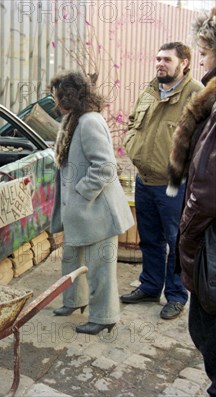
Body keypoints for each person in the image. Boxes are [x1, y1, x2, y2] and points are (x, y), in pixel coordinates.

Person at [120, 42, 203, 320]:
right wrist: (132, 144)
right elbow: (133, 122)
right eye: (157, 59)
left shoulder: (197, 96)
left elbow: (204, 144)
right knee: (150, 240)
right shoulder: (150, 90)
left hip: (174, 186)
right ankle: (150, 286)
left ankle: (177, 296)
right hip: (144, 180)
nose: (160, 64)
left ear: (185, 63)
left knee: (176, 243)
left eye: (167, 59)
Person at [48, 71, 134, 335]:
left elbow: (106, 167)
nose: (55, 100)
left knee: (100, 268)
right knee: (71, 259)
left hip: (97, 211)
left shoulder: (89, 122)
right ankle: (74, 301)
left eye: (58, 95)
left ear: (69, 96)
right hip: (81, 211)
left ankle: (104, 317)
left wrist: (81, 193)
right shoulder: (74, 119)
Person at [167, 8, 216, 396]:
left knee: (209, 335)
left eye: (205, 51)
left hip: (211, 248)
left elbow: (205, 192)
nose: (201, 59)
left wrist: (185, 240)